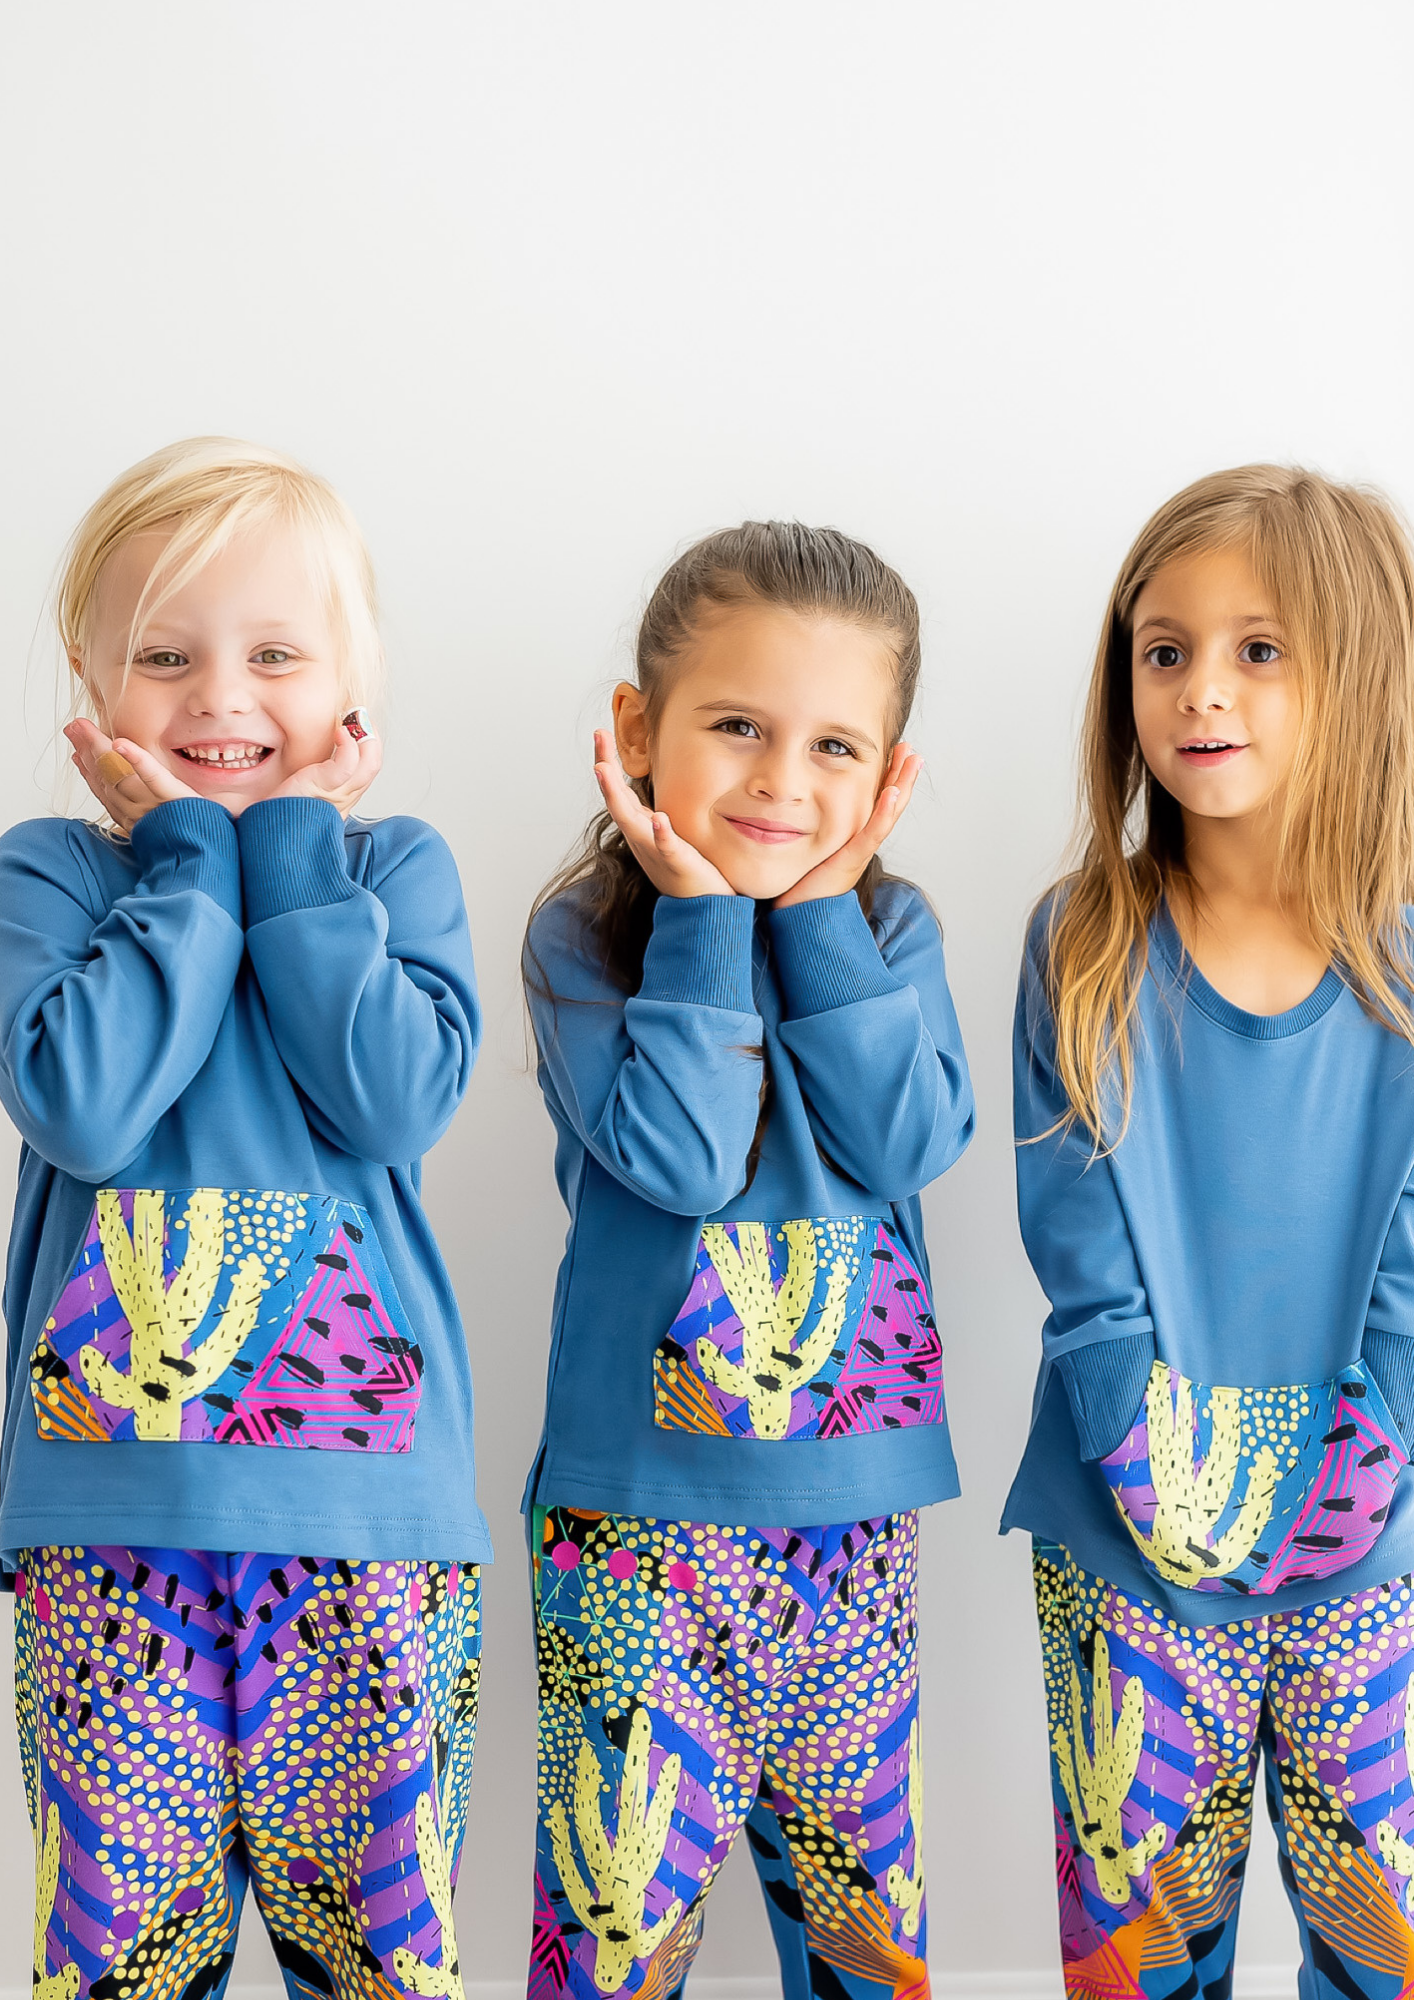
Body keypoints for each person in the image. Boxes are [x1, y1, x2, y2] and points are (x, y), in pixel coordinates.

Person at [1, 439, 487, 1998]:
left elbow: (393, 1101)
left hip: (370, 1543)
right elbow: (82, 1101)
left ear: (352, 685)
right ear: (89, 681)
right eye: (164, 655)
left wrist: (284, 854)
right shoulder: (52, 878)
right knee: (123, 1968)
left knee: (386, 1966)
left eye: (273, 654)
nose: (219, 695)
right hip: (109, 1540)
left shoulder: (390, 871)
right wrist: (183, 858)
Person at [521, 522, 973, 2000]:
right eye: (736, 729)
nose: (784, 781)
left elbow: (905, 1140)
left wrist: (822, 919)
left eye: (834, 744)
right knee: (610, 1932)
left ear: (888, 776)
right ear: (638, 733)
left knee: (861, 1936)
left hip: (850, 1519)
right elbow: (683, 1157)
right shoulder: (584, 940)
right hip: (632, 1524)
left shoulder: (892, 931)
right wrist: (708, 925)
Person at [1004, 465, 1414, 1989]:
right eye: (1161, 649)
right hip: (1125, 1539)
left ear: (1358, 669)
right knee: (1136, 1957)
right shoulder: (1085, 933)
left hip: (1373, 1538)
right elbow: (1077, 1240)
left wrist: (1371, 1445)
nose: (1197, 690)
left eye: (1257, 649)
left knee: (1374, 1953)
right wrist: (1139, 1450)